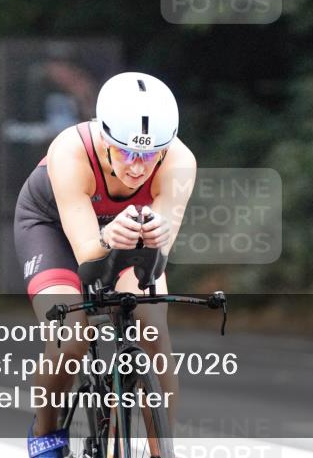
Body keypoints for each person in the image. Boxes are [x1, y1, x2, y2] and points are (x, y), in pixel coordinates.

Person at [15, 71, 197, 458]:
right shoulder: (71, 152)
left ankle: (160, 448)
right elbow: (89, 261)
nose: (137, 167)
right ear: (104, 138)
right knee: (72, 333)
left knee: (152, 327)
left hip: (124, 232)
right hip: (55, 230)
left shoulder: (180, 161)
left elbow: (153, 264)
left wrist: (155, 240)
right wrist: (104, 240)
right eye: (127, 152)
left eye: (149, 155)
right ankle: (45, 434)